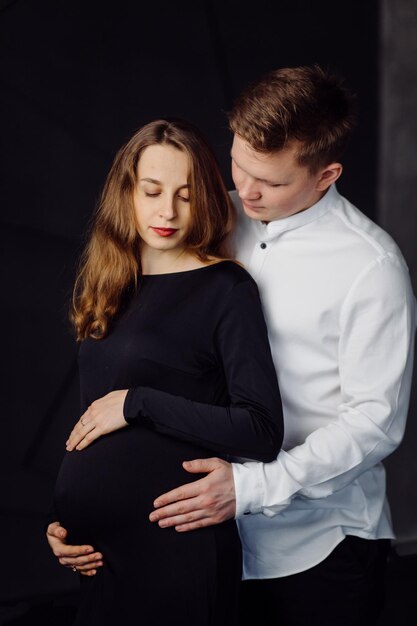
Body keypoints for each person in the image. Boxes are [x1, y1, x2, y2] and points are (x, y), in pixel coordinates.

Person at [47, 66, 417, 625]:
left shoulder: (371, 267)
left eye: (270, 182)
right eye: (239, 165)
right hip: (197, 545)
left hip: (316, 550)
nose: (245, 191)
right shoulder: (210, 216)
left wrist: (252, 487)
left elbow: (374, 423)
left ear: (326, 175)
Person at [47, 118, 283, 626]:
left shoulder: (225, 290)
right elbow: (92, 425)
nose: (167, 212)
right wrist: (63, 523)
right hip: (101, 560)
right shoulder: (112, 282)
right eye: (152, 191)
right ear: (126, 191)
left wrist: (139, 403)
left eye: (185, 195)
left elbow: (261, 430)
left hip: (176, 549)